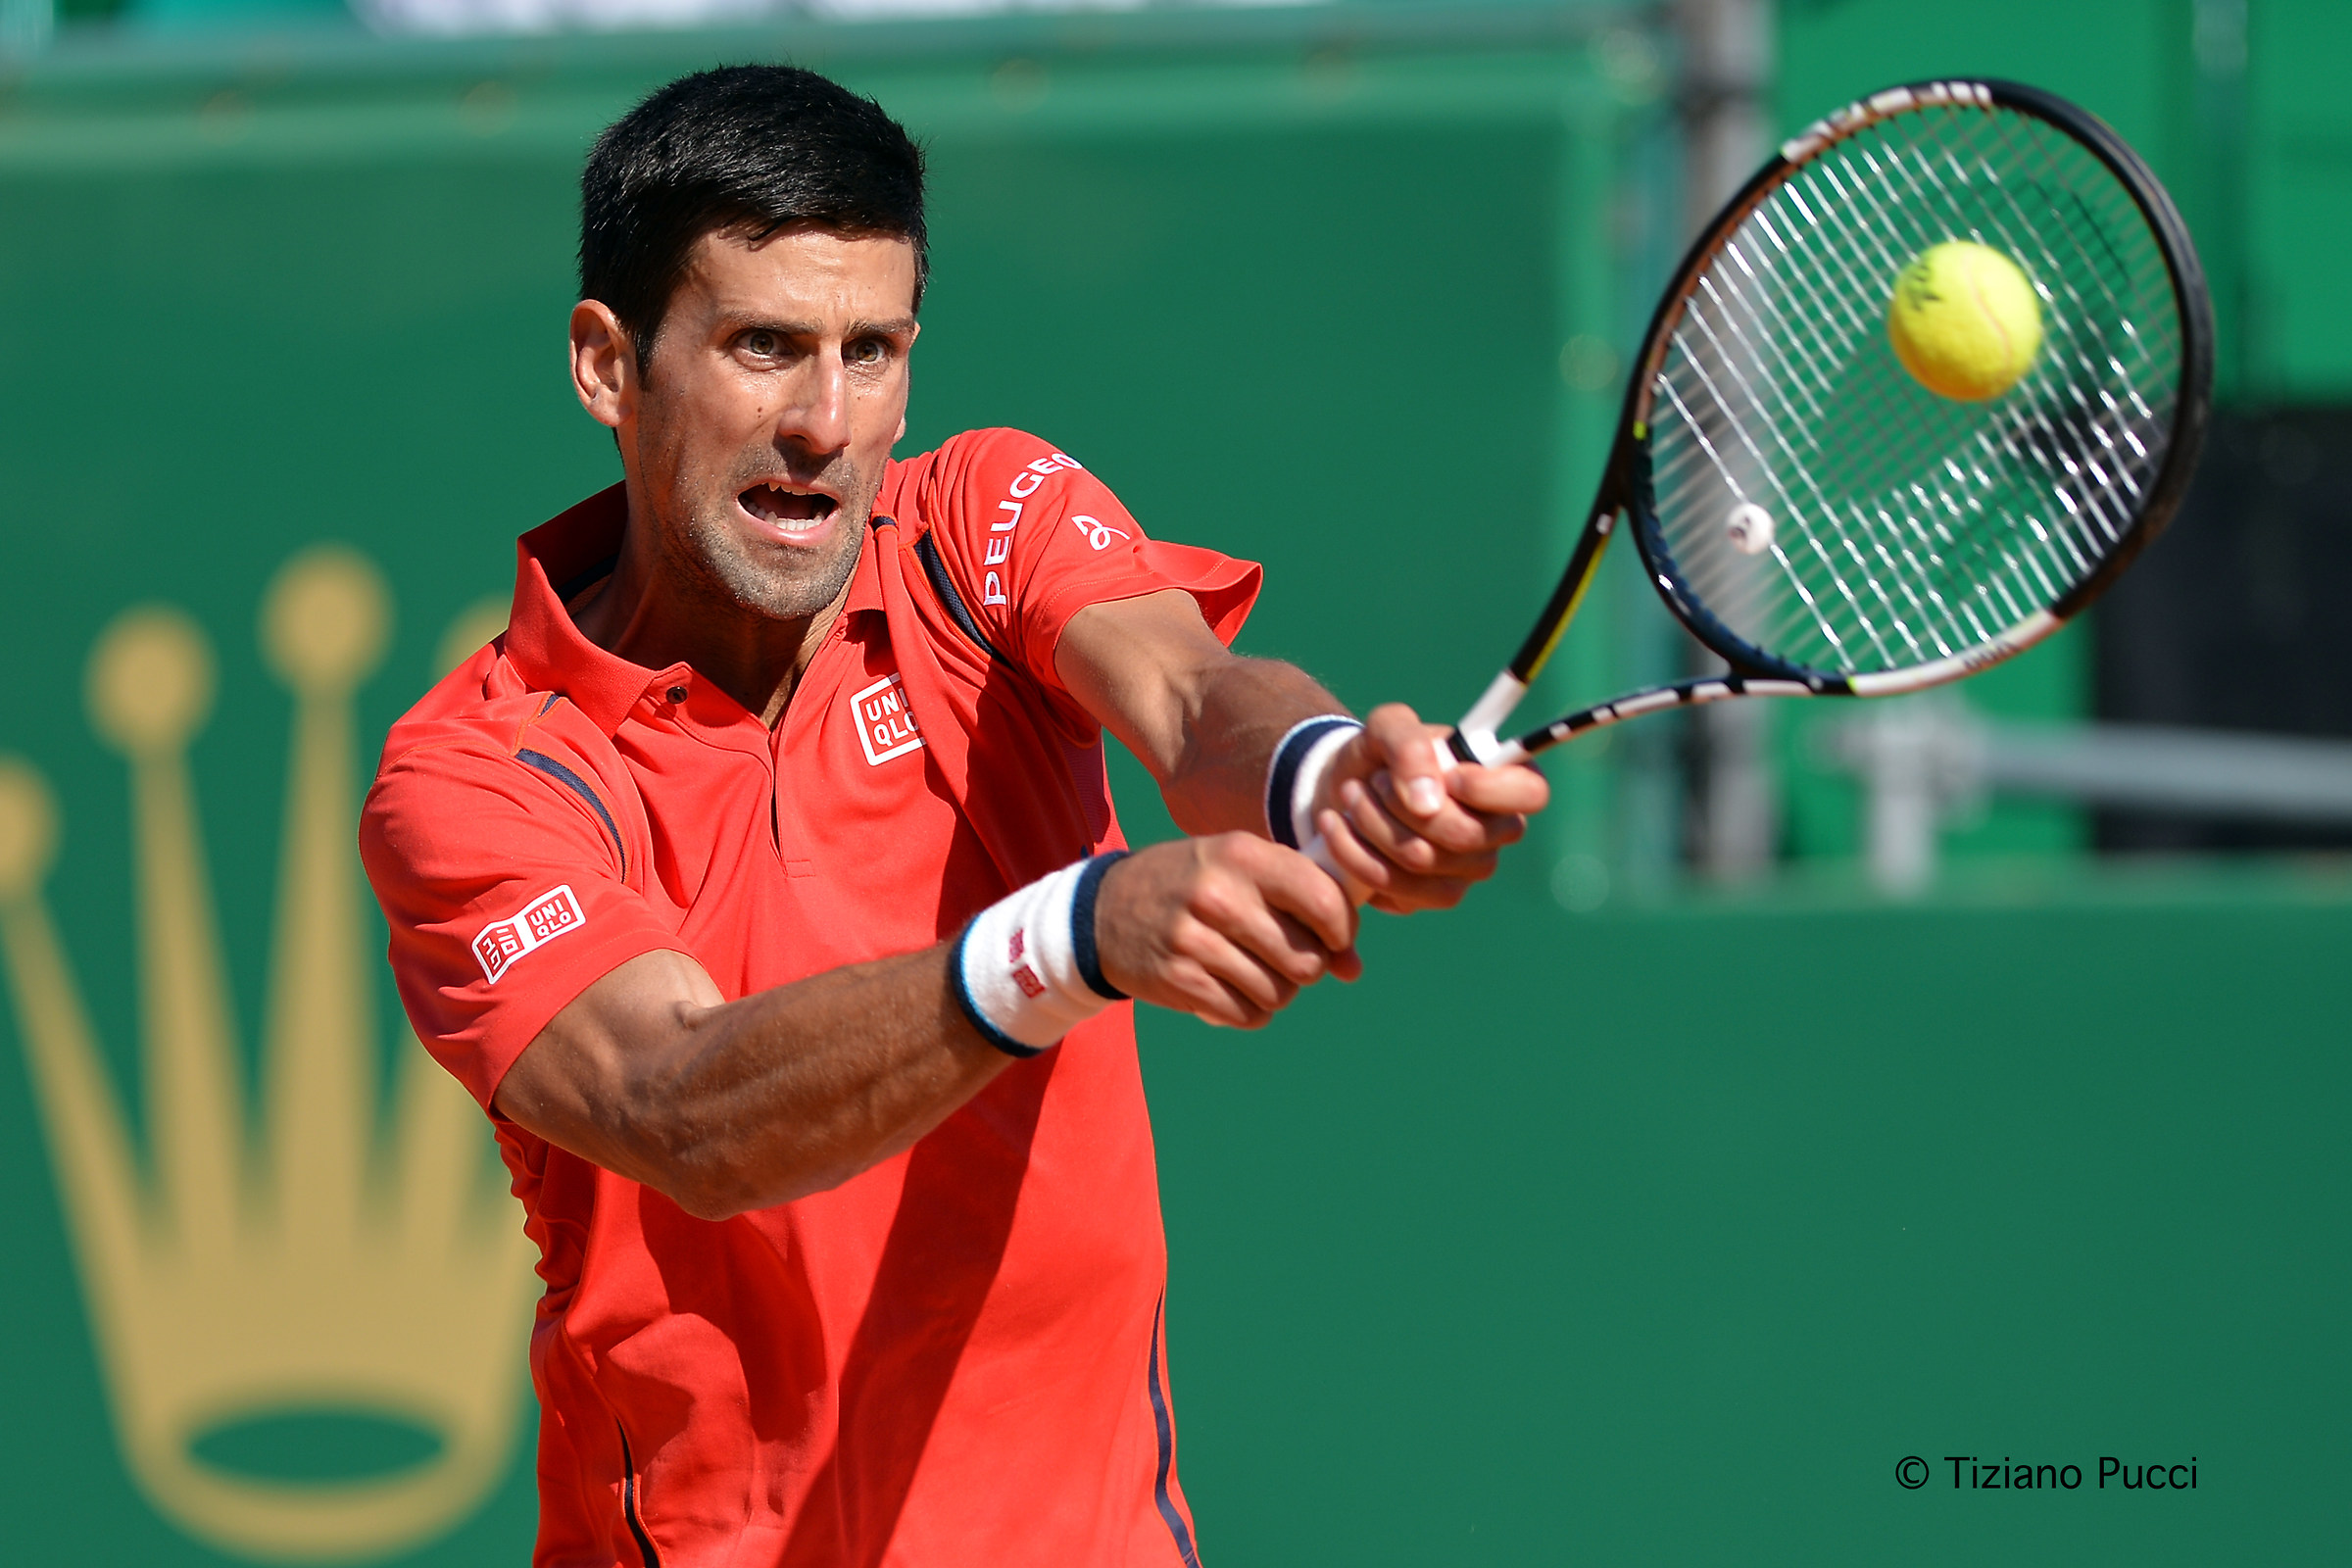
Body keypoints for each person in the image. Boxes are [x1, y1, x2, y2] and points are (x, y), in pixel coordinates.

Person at [361, 64, 1546, 1568]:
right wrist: (1071, 940)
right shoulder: (474, 779)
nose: (824, 422)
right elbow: (683, 1111)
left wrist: (1325, 779)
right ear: (609, 365)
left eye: (873, 351)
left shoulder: (977, 523)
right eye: (764, 348)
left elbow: (1190, 700)